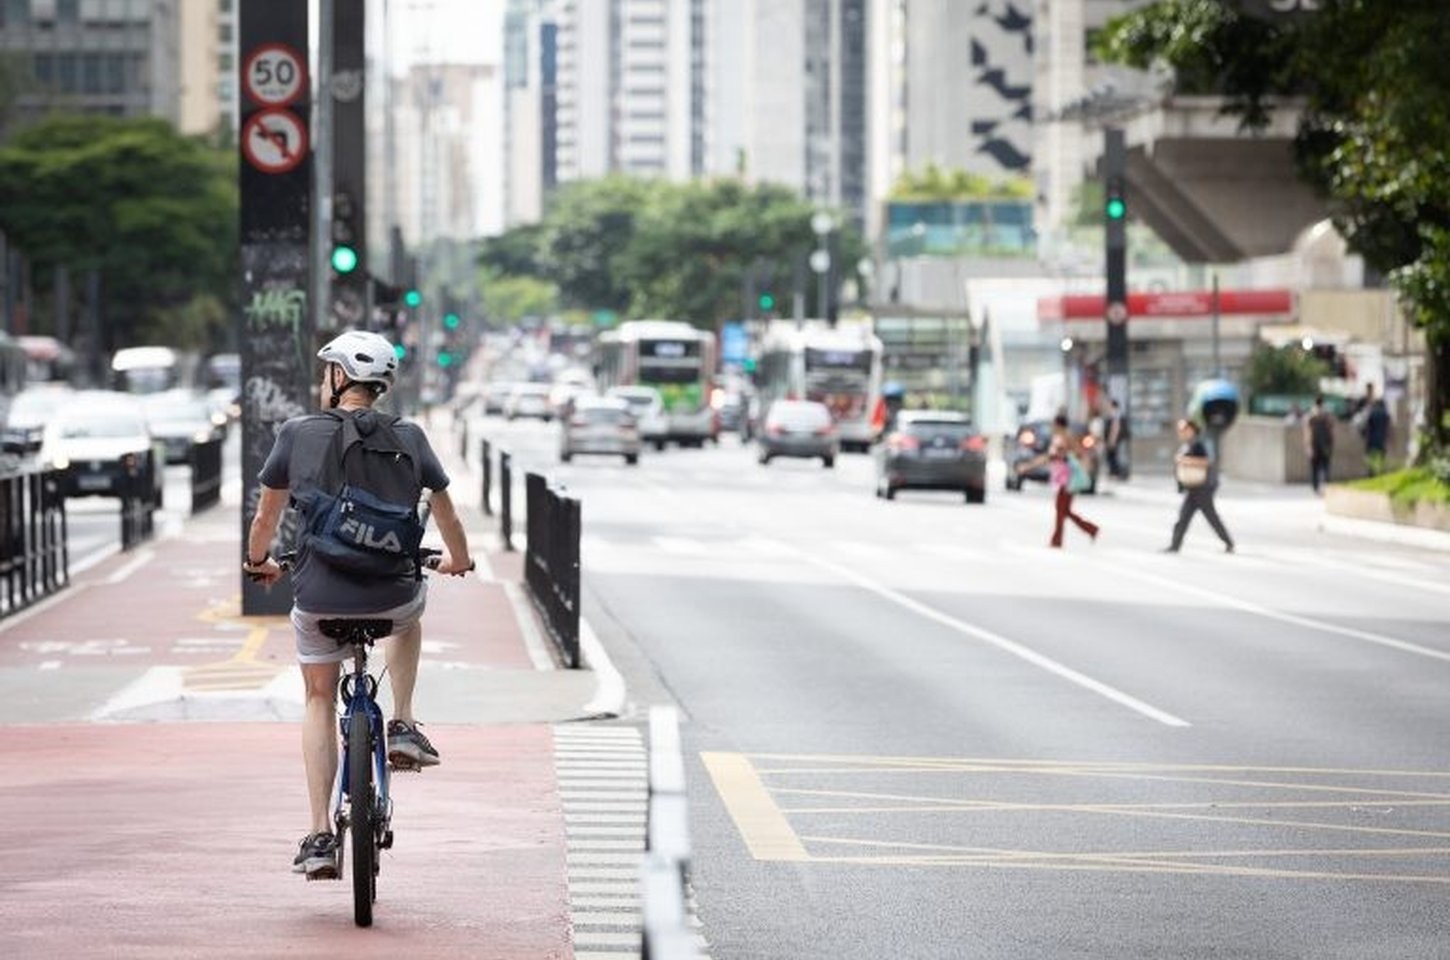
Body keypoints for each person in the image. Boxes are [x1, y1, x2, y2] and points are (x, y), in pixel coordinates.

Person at [242, 330, 476, 879]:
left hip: (320, 598)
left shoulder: (296, 433)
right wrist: (458, 562)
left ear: (339, 377)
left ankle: (321, 833)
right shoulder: (412, 437)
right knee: (410, 612)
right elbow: (448, 517)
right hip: (391, 593)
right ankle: (402, 721)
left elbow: (265, 520)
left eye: (327, 372)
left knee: (319, 697)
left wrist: (261, 564)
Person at [1018, 414, 1099, 548]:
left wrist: (1029, 466)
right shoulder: (1065, 437)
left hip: (1067, 478)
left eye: (1053, 424)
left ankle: (1079, 532)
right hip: (1063, 477)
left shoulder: (1064, 438)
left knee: (1062, 509)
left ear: (1057, 425)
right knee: (1063, 509)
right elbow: (1076, 453)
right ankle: (1072, 535)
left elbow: (1054, 456)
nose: (1052, 427)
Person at [1163, 418, 1234, 554]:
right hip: (1193, 487)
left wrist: (1184, 460)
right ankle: (1175, 545)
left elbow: (1206, 461)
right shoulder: (1188, 444)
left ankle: (1228, 542)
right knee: (1184, 517)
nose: (1180, 432)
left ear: (1191, 429)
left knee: (1210, 517)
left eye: (1183, 429)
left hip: (1202, 488)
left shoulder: (1199, 444)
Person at [1355, 382, 1391, 476]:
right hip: (1376, 433)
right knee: (1376, 453)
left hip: (1372, 433)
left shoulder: (1375, 404)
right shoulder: (1363, 400)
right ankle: (1376, 469)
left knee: (1373, 453)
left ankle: (1375, 469)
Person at [1303, 394, 1334, 495]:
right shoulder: (1327, 415)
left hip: (1314, 445)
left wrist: (1308, 446)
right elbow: (1331, 431)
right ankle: (1326, 486)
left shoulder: (1310, 416)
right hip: (1325, 445)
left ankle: (1316, 487)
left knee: (1314, 469)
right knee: (1325, 468)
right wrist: (1331, 444)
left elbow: (1308, 432)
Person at [1103, 398, 1128, 480]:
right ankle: (1114, 473)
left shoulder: (1117, 416)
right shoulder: (1112, 416)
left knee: (1116, 457)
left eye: (1110, 406)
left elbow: (1117, 429)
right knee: (1112, 457)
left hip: (1116, 441)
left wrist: (1113, 440)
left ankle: (1117, 473)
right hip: (1112, 440)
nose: (1108, 408)